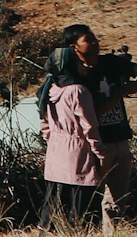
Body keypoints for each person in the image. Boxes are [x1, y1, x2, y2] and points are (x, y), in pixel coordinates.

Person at [64, 25, 132, 222]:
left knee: (118, 200)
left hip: (119, 139)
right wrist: (122, 92)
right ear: (73, 46)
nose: (95, 42)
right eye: (87, 39)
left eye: (94, 37)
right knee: (86, 199)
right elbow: (90, 112)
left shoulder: (111, 63)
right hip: (94, 145)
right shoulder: (74, 77)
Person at [42, 41, 109, 231]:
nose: (84, 65)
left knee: (55, 206)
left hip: (56, 155)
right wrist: (100, 154)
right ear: (71, 67)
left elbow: (45, 126)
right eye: (79, 63)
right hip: (78, 155)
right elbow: (90, 127)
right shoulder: (78, 91)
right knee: (80, 210)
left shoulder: (50, 89)